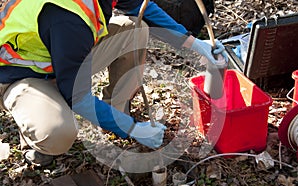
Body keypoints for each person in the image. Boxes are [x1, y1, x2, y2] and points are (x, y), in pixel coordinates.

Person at [0, 0, 227, 166]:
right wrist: (133, 129)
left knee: (135, 28)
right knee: (58, 132)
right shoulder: (67, 17)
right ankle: (38, 133)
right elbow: (77, 98)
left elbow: (144, 8)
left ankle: (114, 112)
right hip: (19, 75)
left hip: (58, 59)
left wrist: (195, 44)